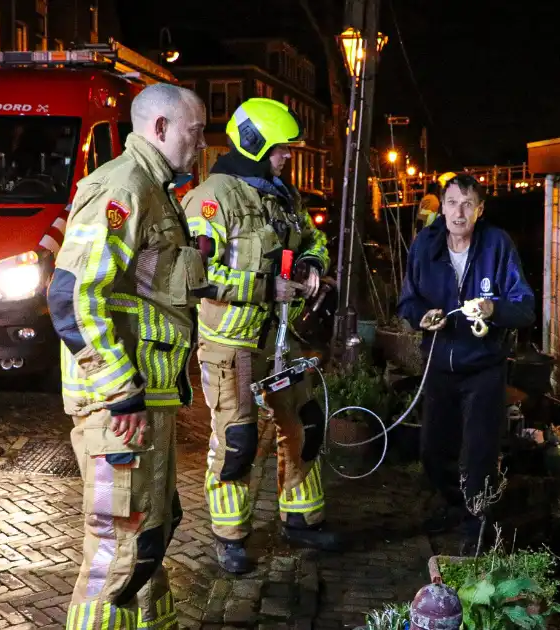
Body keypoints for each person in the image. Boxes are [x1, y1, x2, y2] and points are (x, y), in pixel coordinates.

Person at [48, 83, 207, 629]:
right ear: (160, 128)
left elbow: (147, 293)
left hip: (146, 400)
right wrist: (123, 393)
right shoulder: (124, 187)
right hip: (121, 406)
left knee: (148, 539)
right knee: (117, 550)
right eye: (195, 129)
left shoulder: (156, 190)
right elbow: (73, 295)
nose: (201, 141)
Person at [182, 97, 338, 574]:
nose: (288, 156)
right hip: (231, 344)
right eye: (280, 148)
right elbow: (196, 276)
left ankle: (302, 519)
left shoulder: (281, 195)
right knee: (237, 442)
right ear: (253, 143)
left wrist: (312, 267)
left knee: (305, 423)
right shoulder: (211, 199)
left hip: (280, 339)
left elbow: (313, 241)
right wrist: (266, 286)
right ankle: (230, 538)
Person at [397, 173, 536, 554]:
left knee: (479, 452)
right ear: (441, 206)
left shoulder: (498, 244)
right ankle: (455, 505)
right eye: (453, 203)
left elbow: (525, 307)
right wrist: (422, 316)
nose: (459, 212)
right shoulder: (424, 246)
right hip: (439, 364)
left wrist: (494, 308)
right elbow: (407, 301)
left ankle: (478, 525)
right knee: (432, 450)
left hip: (484, 368)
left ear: (480, 210)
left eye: (468, 204)